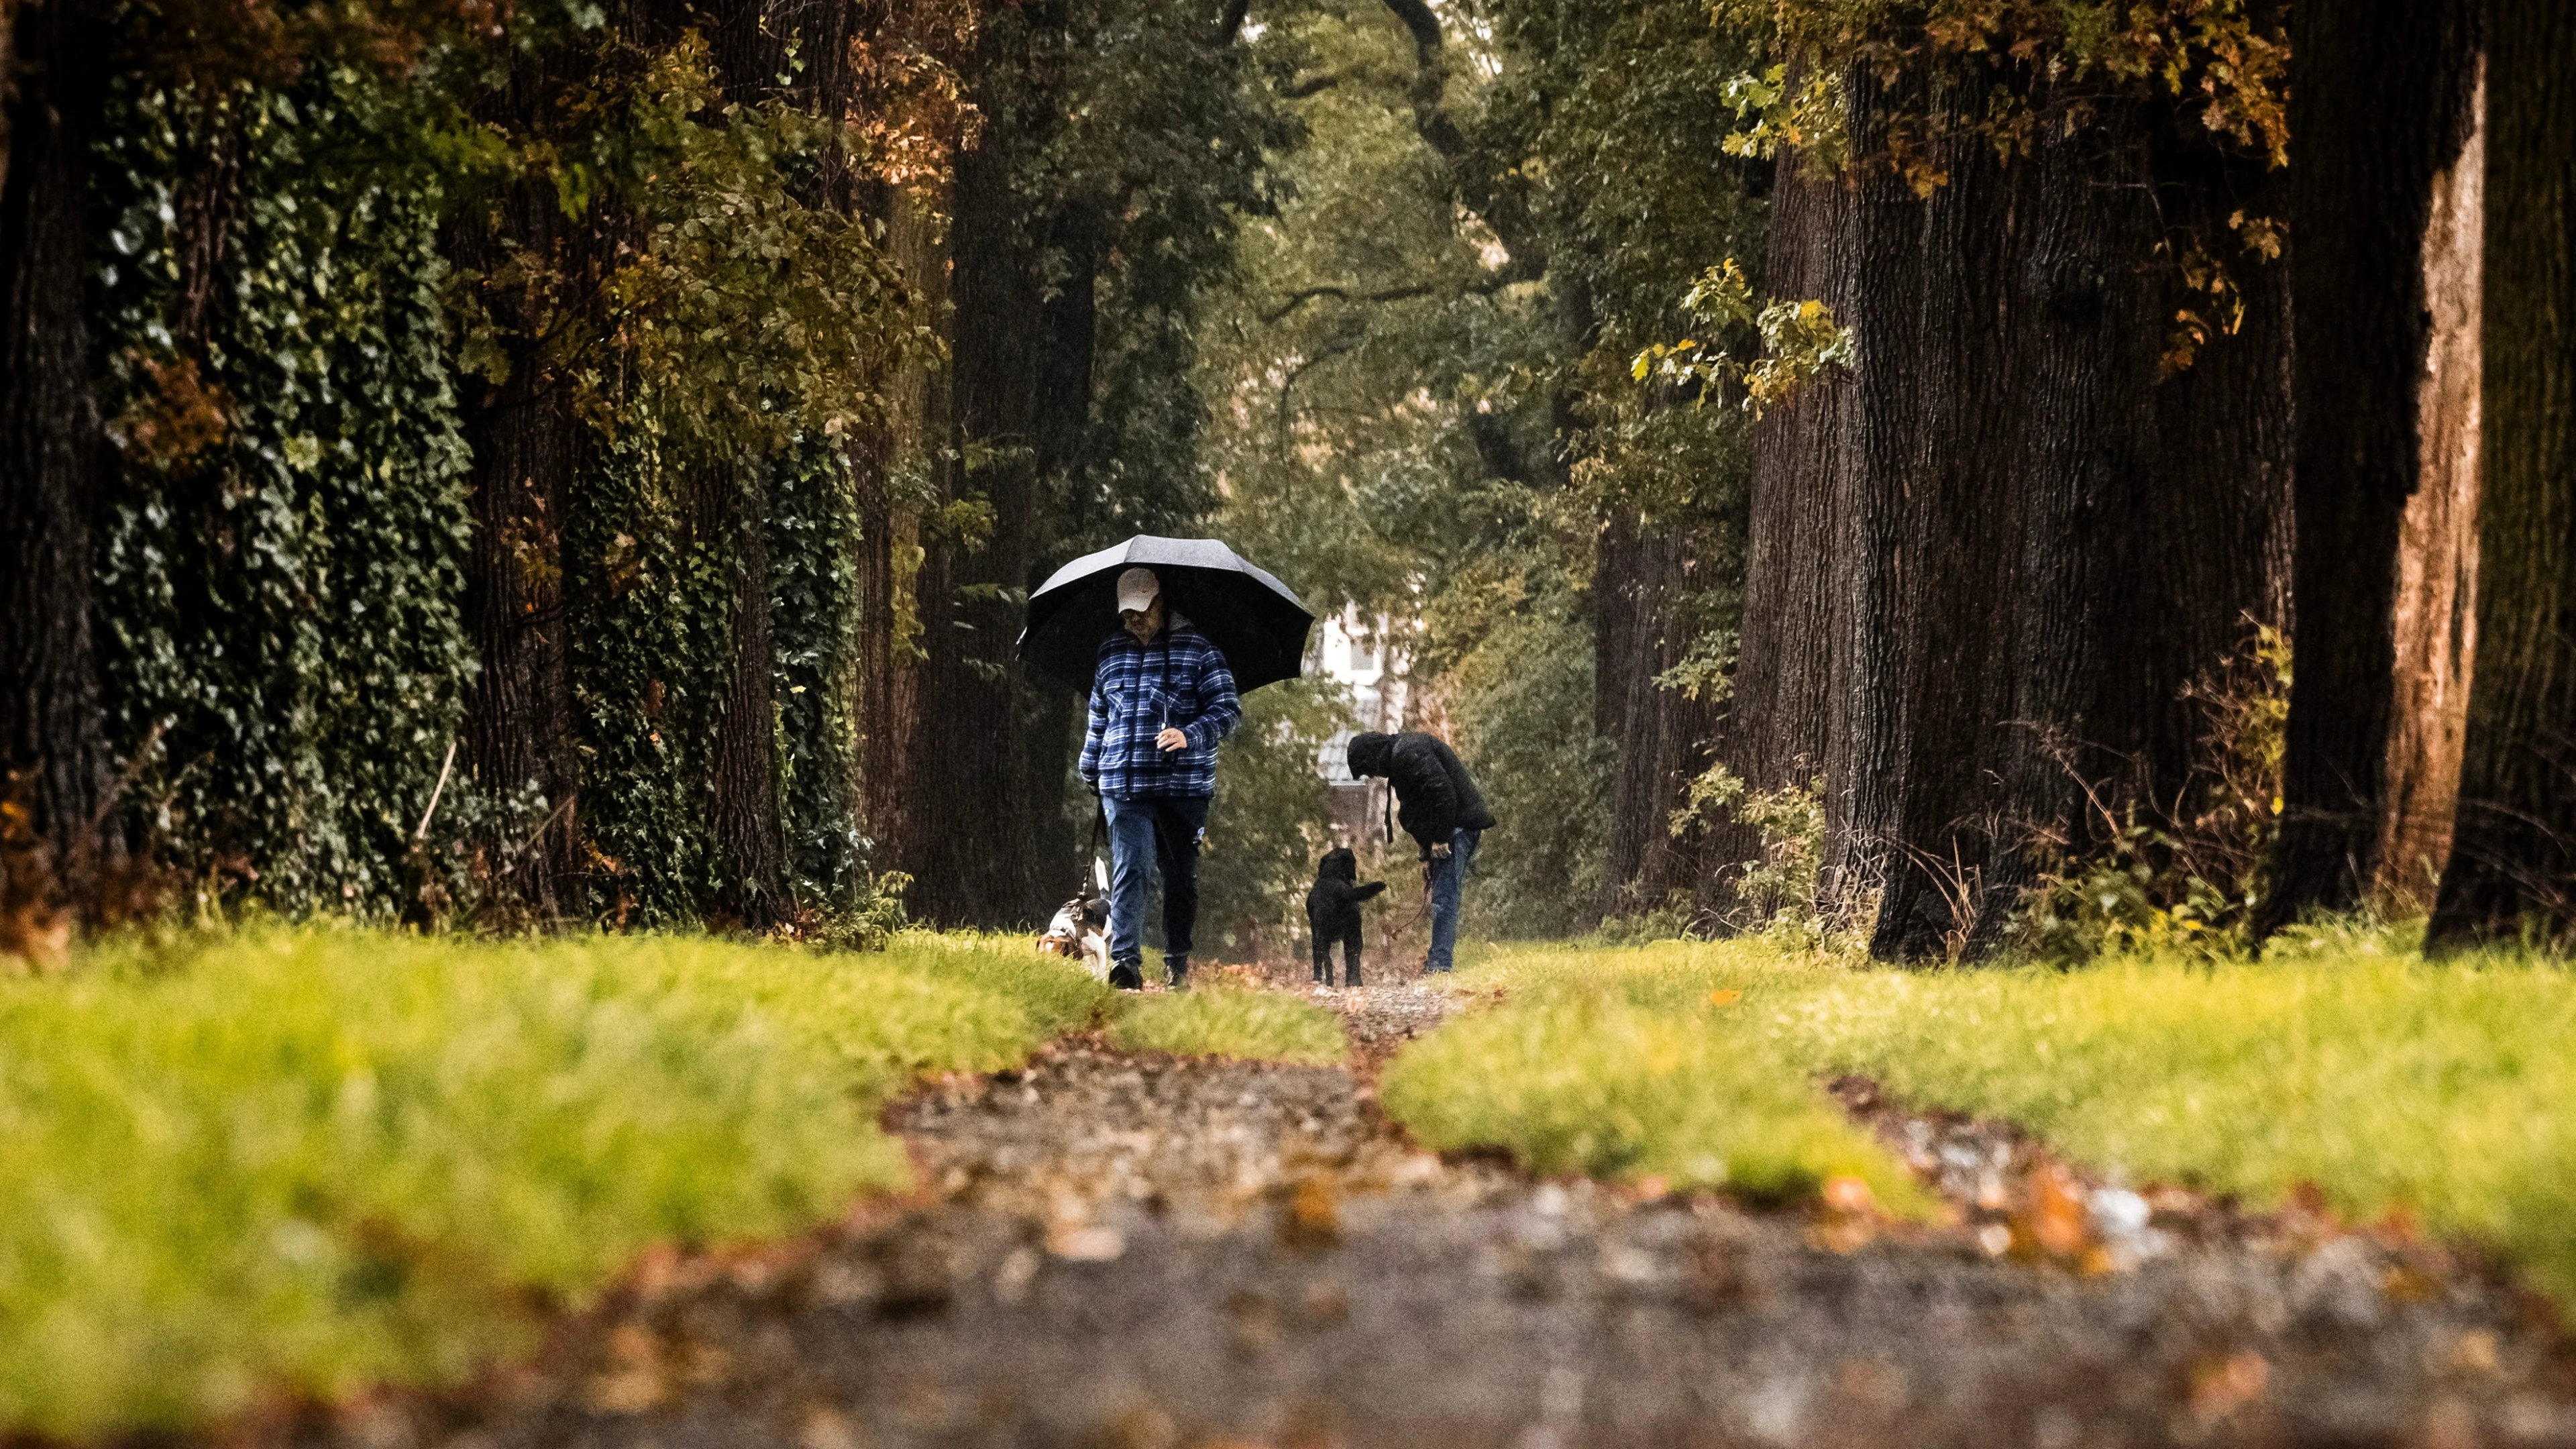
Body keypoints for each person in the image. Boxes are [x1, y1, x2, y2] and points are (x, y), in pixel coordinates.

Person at [1077, 567, 1241, 991]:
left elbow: (1227, 709)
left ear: (1161, 602)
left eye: (1142, 612)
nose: (1134, 621)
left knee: (1179, 877)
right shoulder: (1110, 650)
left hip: (1183, 787)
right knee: (1131, 868)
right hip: (1123, 780)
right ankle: (1125, 964)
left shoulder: (1200, 649)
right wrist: (1090, 765)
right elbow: (1099, 716)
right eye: (1127, 614)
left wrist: (1190, 734)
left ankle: (1176, 961)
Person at [1344, 731, 1495, 973]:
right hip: (1454, 827)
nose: (1372, 775)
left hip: (1457, 828)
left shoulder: (1408, 752)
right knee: (1444, 897)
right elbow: (1422, 808)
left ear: (1374, 756)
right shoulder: (1403, 755)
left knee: (1445, 899)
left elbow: (1443, 792)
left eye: (1368, 769)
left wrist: (1441, 838)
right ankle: (1438, 962)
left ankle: (1440, 966)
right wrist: (1428, 856)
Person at [1304, 845, 1385, 987]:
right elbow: (1353, 895)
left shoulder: (1315, 893)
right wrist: (1374, 888)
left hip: (1322, 919)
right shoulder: (1343, 888)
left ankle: (1318, 977)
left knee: (1319, 940)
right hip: (1346, 915)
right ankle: (1353, 980)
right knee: (1353, 940)